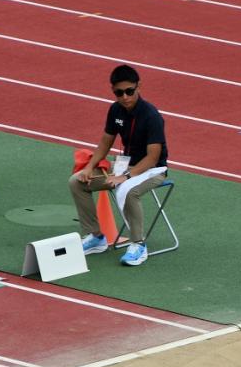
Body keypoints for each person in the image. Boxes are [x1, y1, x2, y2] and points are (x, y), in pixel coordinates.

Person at [68, 64, 168, 266]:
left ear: (138, 86)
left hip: (153, 170)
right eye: (119, 93)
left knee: (129, 191)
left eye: (129, 91)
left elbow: (152, 157)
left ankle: (138, 245)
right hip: (125, 166)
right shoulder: (115, 110)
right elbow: (106, 141)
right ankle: (95, 237)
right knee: (76, 182)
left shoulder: (151, 116)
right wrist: (89, 167)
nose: (124, 97)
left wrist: (126, 177)